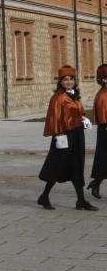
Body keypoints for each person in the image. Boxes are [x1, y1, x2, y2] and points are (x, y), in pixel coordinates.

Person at [38, 65, 96, 211]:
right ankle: (44, 196)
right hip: (64, 136)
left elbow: (77, 113)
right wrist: (59, 137)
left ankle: (81, 200)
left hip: (77, 135)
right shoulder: (58, 98)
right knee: (57, 166)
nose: (68, 82)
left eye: (71, 79)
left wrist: (84, 121)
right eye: (65, 79)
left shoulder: (75, 95)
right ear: (61, 82)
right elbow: (55, 118)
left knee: (77, 166)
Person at [89, 65, 107, 199]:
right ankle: (95, 183)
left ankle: (95, 183)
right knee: (103, 160)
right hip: (105, 131)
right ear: (104, 79)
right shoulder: (102, 95)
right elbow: (103, 117)